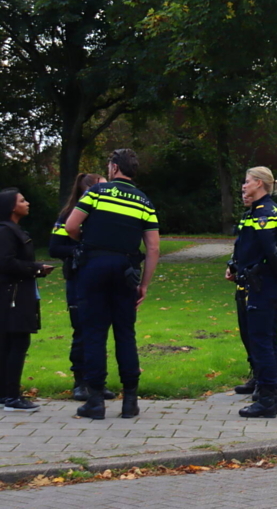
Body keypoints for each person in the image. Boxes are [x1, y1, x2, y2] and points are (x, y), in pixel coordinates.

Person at [65, 149, 160, 420]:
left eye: (109, 164)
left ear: (115, 168)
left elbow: (71, 226)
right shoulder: (144, 201)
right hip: (126, 271)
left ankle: (95, 401)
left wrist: (87, 238)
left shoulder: (95, 193)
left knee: (94, 333)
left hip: (93, 267)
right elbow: (153, 248)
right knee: (125, 334)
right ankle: (130, 401)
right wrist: (143, 284)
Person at [225, 167, 277, 418]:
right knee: (269, 337)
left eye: (246, 182)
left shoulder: (263, 213)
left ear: (258, 183)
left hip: (263, 284)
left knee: (260, 339)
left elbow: (272, 251)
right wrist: (233, 266)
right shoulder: (274, 211)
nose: (243, 186)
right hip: (268, 282)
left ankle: (267, 399)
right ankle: (270, 387)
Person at [49, 173, 115, 402]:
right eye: (104, 188)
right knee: (82, 331)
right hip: (78, 279)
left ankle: (98, 381)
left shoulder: (106, 216)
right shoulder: (69, 216)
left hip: (102, 279)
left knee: (100, 332)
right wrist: (80, 251)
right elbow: (55, 248)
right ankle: (80, 381)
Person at [0, 189, 55, 411]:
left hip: (15, 294)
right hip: (13, 296)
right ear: (12, 207)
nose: (27, 203)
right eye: (22, 200)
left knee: (9, 344)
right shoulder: (6, 232)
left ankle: (5, 394)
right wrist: (37, 269)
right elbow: (6, 263)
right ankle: (12, 396)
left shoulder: (13, 230)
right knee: (17, 343)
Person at [227, 190, 258, 397]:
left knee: (258, 332)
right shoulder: (246, 218)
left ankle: (264, 380)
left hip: (256, 281)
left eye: (247, 188)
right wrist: (232, 265)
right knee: (245, 330)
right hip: (242, 280)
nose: (244, 194)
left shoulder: (265, 217)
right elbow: (240, 247)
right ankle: (255, 373)